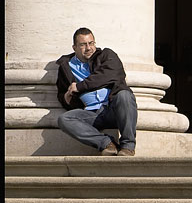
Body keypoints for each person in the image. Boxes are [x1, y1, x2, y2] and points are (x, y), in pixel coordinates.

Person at [56, 27, 138, 156]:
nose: (89, 48)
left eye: (91, 43)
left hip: (114, 109)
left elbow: (109, 75)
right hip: (91, 113)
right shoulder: (66, 66)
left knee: (124, 95)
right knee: (64, 119)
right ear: (74, 47)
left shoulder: (106, 55)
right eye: (83, 45)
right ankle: (107, 143)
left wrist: (80, 86)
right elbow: (62, 92)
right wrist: (65, 98)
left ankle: (128, 146)